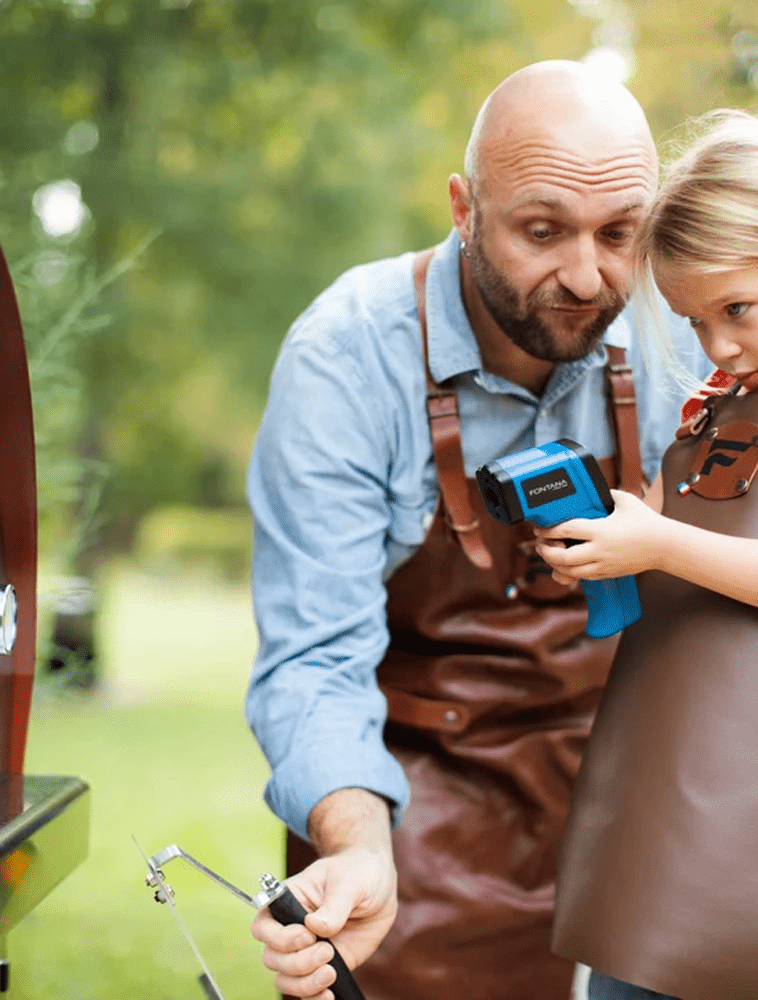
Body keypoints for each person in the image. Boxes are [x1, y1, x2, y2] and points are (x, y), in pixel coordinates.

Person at [244, 59, 712, 1000]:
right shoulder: (345, 356)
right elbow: (316, 658)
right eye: (543, 231)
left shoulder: (690, 327)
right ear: (464, 207)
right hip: (416, 794)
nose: (587, 277)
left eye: (621, 233)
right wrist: (358, 844)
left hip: (641, 780)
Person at [538, 110, 758, 1000]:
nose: (719, 346)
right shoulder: (720, 404)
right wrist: (621, 541)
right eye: (694, 322)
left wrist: (662, 539)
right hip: (674, 784)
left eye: (739, 308)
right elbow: (689, 535)